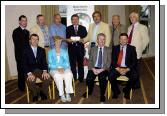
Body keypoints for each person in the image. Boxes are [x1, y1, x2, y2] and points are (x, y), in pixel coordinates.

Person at [83, 33, 111, 103]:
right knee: (89, 78)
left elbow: (109, 62)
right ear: (97, 40)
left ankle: (102, 95)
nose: (102, 41)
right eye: (100, 39)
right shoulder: (93, 49)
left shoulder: (108, 49)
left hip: (103, 68)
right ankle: (89, 91)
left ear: (105, 40)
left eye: (103, 39)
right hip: (94, 67)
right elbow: (90, 61)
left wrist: (101, 69)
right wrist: (93, 69)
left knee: (102, 78)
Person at [22, 34, 52, 102]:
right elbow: (24, 64)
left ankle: (42, 92)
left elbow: (44, 62)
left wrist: (45, 71)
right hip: (30, 70)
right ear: (30, 41)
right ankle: (35, 93)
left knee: (48, 79)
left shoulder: (42, 50)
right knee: (31, 81)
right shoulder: (25, 50)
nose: (35, 41)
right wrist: (29, 73)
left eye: (36, 39)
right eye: (33, 39)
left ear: (38, 41)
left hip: (39, 70)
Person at [108, 33, 137, 99]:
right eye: (121, 39)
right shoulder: (115, 48)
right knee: (110, 75)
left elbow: (134, 61)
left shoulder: (132, 48)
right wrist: (119, 69)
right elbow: (113, 60)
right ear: (119, 40)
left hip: (127, 67)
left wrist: (126, 69)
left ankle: (127, 90)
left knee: (135, 76)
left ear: (127, 40)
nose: (123, 41)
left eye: (125, 39)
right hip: (118, 67)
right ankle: (116, 91)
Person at [48, 36, 74, 102]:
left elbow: (67, 63)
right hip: (54, 69)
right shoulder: (50, 52)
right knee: (58, 76)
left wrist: (63, 68)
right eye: (57, 41)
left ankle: (67, 93)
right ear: (54, 42)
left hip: (65, 68)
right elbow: (50, 64)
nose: (58, 43)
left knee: (69, 74)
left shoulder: (64, 51)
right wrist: (58, 68)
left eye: (60, 41)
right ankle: (62, 94)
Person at [127, 12, 150, 89]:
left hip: (137, 52)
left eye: (133, 17)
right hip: (129, 51)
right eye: (130, 17)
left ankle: (136, 85)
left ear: (137, 18)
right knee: (130, 68)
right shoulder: (129, 27)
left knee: (136, 69)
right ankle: (131, 82)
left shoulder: (143, 27)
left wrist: (141, 49)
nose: (132, 18)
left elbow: (146, 40)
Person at [66, 14, 87, 82]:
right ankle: (74, 78)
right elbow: (66, 38)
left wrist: (82, 40)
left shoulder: (83, 28)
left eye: (76, 19)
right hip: (71, 49)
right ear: (71, 21)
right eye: (73, 19)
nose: (75, 21)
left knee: (81, 64)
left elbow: (85, 38)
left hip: (80, 49)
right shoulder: (68, 28)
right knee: (73, 65)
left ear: (78, 20)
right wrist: (69, 40)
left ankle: (81, 79)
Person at [12, 15, 30, 91]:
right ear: (19, 22)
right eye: (23, 20)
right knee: (21, 72)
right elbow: (18, 44)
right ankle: (21, 88)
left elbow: (28, 44)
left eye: (25, 20)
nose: (24, 22)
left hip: (27, 55)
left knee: (27, 71)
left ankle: (29, 86)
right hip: (20, 56)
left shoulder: (27, 32)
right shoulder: (15, 31)